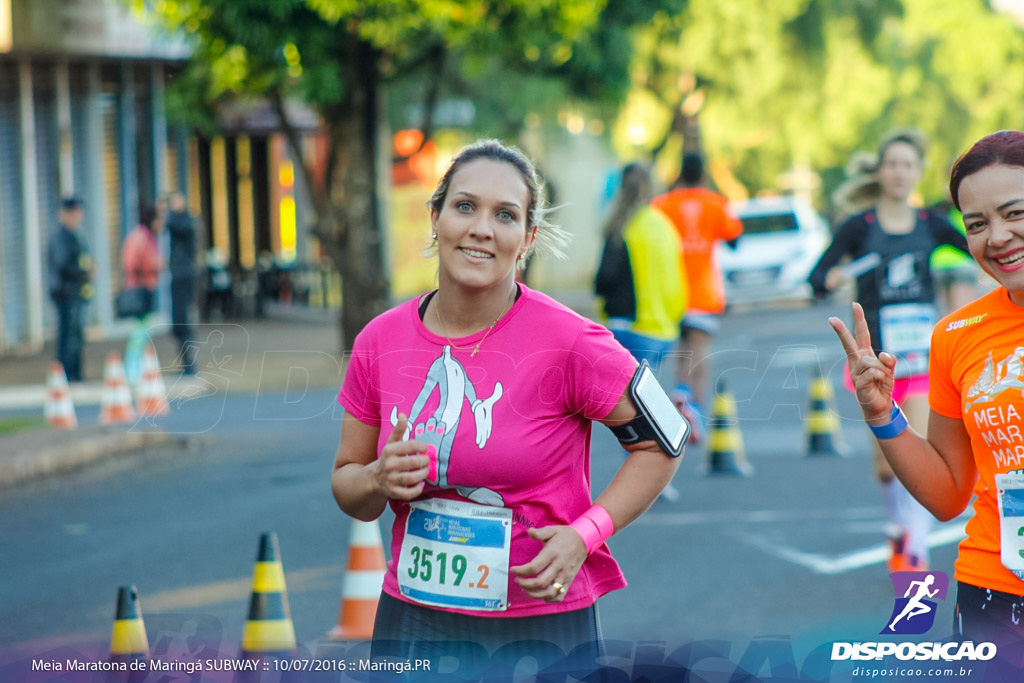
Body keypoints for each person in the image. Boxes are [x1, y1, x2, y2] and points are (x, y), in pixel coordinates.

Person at [330, 139, 683, 675]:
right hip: (415, 621)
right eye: (465, 206)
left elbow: (665, 440)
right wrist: (377, 478)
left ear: (527, 239)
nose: (481, 229)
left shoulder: (571, 341)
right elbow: (348, 487)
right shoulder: (380, 340)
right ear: (436, 217)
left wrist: (586, 535)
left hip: (541, 622)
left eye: (506, 215)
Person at [829, 129, 1024, 669]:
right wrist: (882, 414)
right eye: (977, 224)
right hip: (993, 591)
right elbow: (946, 494)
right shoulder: (957, 335)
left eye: (1015, 213)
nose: (999, 237)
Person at [810, 128, 970, 574]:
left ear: (918, 173)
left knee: (917, 452)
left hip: (920, 360)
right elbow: (816, 276)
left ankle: (915, 550)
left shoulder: (931, 224)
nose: (900, 173)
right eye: (893, 164)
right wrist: (832, 279)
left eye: (908, 165)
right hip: (873, 365)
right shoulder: (858, 228)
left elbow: (978, 251)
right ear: (880, 171)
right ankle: (899, 526)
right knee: (886, 468)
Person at [595, 162, 687, 501]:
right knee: (649, 407)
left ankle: (641, 484)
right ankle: (652, 480)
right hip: (662, 328)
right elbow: (678, 282)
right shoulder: (663, 226)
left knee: (632, 415)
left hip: (629, 326)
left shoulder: (621, 228)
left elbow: (603, 280)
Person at [652, 152, 744, 452]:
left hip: (671, 293)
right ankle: (697, 413)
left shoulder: (663, 204)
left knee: (681, 352)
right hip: (704, 292)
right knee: (700, 352)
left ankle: (680, 395)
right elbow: (734, 238)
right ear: (703, 174)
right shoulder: (716, 203)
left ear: (679, 174)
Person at [46, 196, 92, 382]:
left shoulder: (73, 235)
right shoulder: (62, 236)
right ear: (64, 214)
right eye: (74, 213)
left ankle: (72, 374)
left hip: (74, 292)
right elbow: (64, 265)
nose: (77, 217)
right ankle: (68, 375)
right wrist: (84, 272)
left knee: (74, 335)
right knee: (70, 336)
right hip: (67, 293)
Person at [121, 206, 164, 384]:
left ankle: (140, 368)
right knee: (140, 331)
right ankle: (132, 370)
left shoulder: (147, 237)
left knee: (144, 330)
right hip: (140, 289)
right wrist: (153, 265)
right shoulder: (140, 237)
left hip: (147, 287)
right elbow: (131, 263)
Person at [166, 192, 198, 375]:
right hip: (178, 275)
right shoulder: (180, 222)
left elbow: (174, 225)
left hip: (183, 276)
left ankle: (189, 363)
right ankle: (185, 362)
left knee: (182, 319)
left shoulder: (185, 222)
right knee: (178, 321)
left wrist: (171, 212)